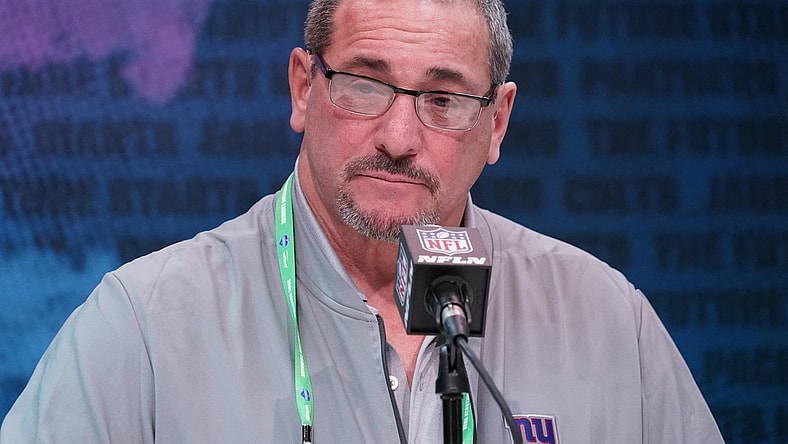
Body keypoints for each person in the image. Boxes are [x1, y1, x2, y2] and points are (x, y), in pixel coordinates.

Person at [1, 0, 724, 442]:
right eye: (364, 85)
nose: (399, 137)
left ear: (497, 123)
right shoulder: (144, 329)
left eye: (442, 100)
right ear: (302, 89)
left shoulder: (608, 324)